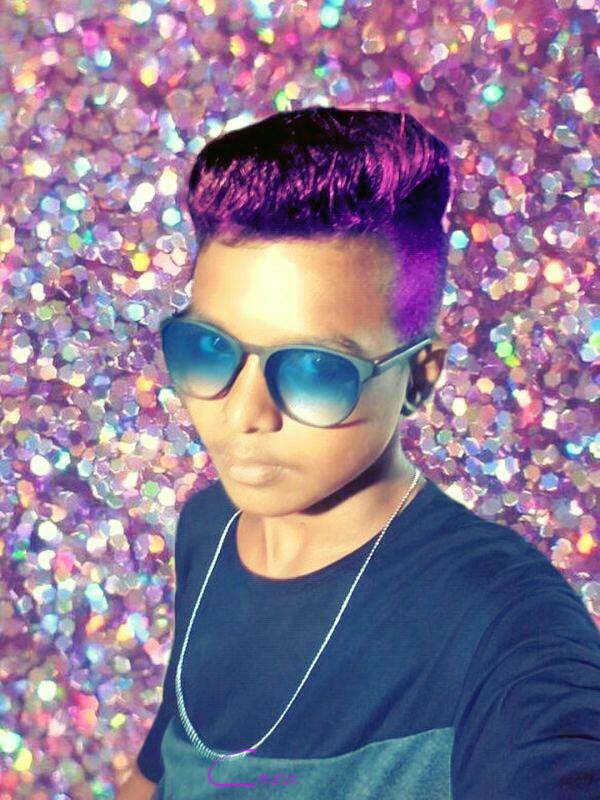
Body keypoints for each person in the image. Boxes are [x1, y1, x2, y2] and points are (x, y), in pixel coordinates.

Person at [116, 107, 600, 800]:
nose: (244, 414)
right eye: (209, 348)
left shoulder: (508, 622)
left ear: (420, 378)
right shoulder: (209, 526)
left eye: (316, 369)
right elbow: (164, 768)